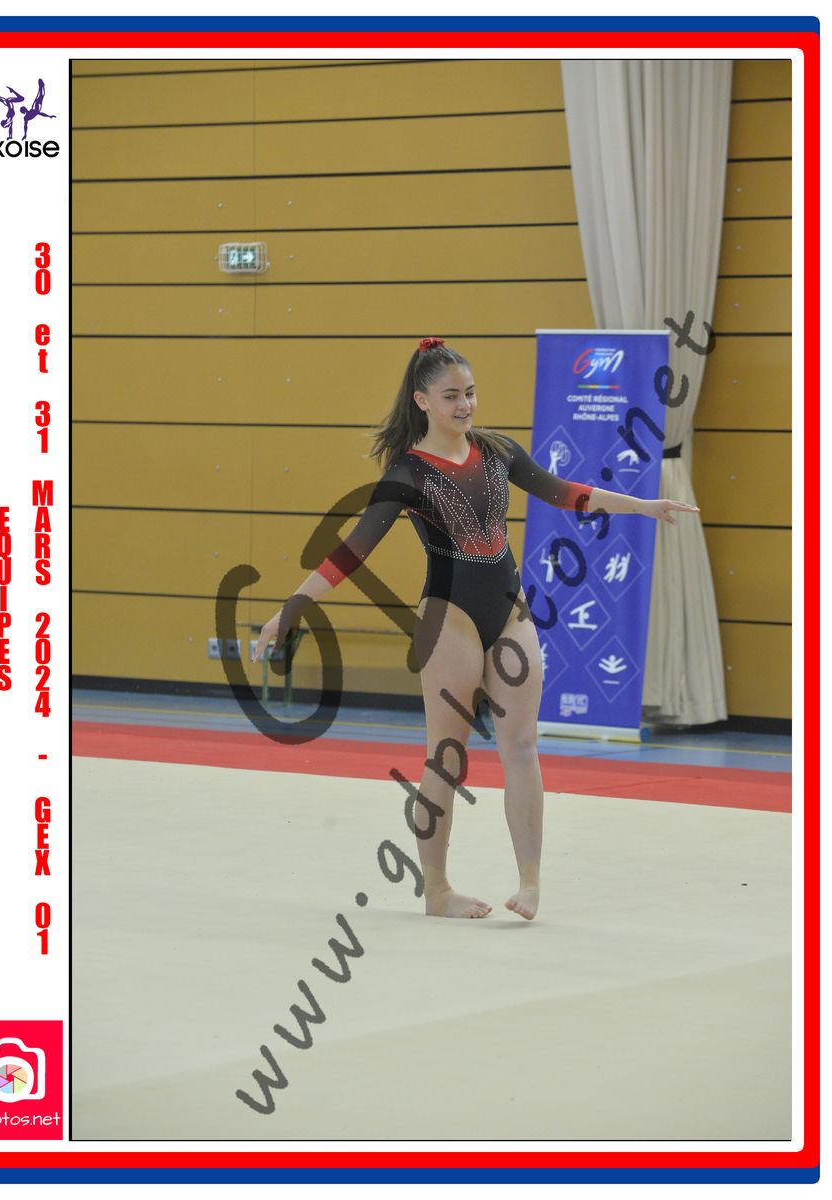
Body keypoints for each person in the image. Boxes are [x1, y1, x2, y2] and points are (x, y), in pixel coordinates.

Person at [251, 337, 699, 920]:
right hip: (449, 619)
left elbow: (565, 492)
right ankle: (437, 890)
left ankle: (530, 883)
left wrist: (643, 506)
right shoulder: (407, 473)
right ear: (422, 401)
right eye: (451, 396)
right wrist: (291, 607)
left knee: (522, 745)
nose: (465, 405)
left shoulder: (497, 450)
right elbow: (352, 551)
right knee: (446, 756)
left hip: (509, 611)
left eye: (470, 393)